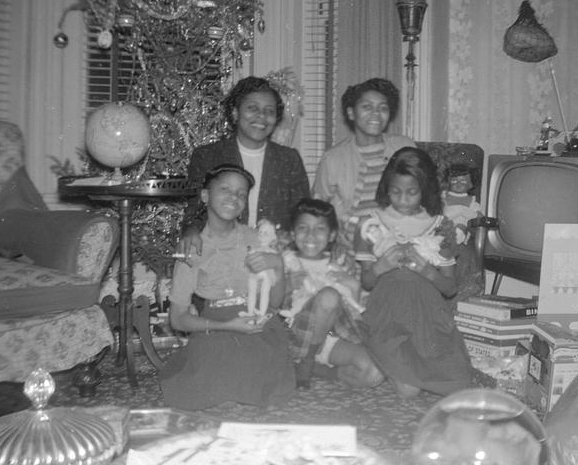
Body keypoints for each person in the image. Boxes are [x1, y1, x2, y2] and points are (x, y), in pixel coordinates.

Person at [353, 147, 496, 399]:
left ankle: (395, 364)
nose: (403, 200)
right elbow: (366, 282)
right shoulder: (371, 224)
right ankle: (382, 360)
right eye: (395, 191)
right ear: (386, 187)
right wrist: (380, 266)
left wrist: (427, 271)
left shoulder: (441, 226)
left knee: (457, 382)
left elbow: (450, 288)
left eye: (412, 192)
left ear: (425, 189)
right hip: (388, 317)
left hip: (428, 321)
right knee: (409, 390)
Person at [159, 164, 296, 409]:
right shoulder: (193, 248)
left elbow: (275, 303)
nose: (234, 197)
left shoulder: (256, 238)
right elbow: (178, 319)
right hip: (216, 325)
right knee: (220, 358)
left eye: (241, 193)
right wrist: (226, 326)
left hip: (258, 321)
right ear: (205, 196)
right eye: (225, 189)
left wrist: (277, 266)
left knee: (257, 356)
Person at [179, 76, 310, 258]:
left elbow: (302, 213)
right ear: (235, 113)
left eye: (269, 111)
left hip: (275, 256)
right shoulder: (208, 156)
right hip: (223, 254)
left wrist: (290, 240)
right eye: (252, 108)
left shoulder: (289, 159)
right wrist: (191, 229)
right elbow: (196, 206)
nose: (261, 116)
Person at [279, 198, 384, 390]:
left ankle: (313, 368)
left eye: (319, 229)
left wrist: (353, 285)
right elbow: (273, 307)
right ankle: (306, 361)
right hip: (294, 337)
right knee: (329, 295)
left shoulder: (339, 263)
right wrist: (285, 286)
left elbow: (353, 310)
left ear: (331, 235)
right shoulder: (285, 262)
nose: (310, 235)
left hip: (328, 336)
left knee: (374, 373)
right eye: (303, 228)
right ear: (293, 233)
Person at [312, 78, 415, 253]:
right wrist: (336, 236)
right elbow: (316, 211)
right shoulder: (333, 159)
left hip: (402, 244)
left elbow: (427, 195)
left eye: (383, 108)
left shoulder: (405, 148)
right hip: (352, 248)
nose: (376, 114)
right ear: (351, 113)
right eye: (367, 107)